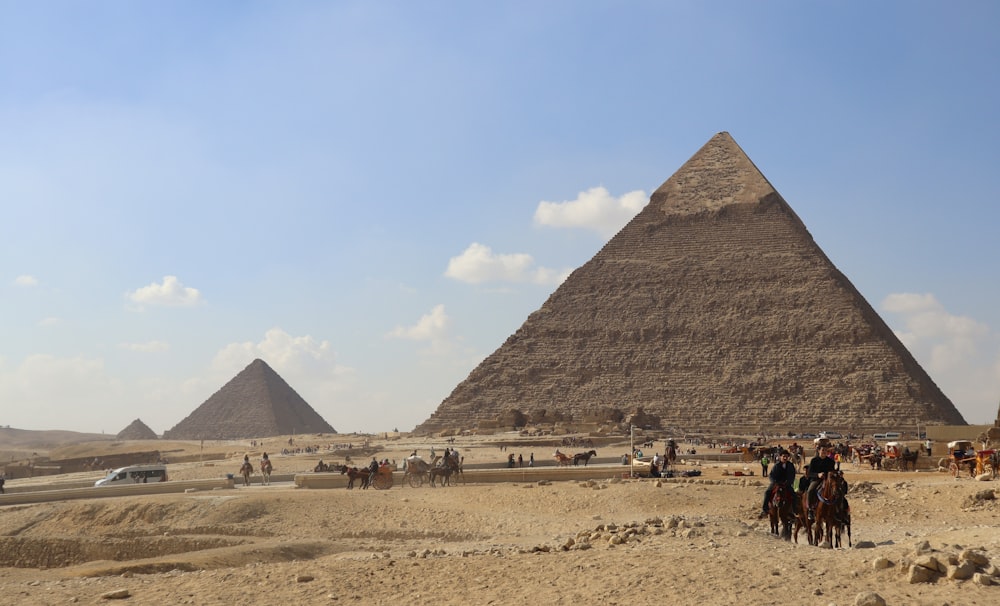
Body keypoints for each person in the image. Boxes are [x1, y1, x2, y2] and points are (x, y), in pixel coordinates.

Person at [761, 451, 796, 518]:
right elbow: (771, 475)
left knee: (794, 495)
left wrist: (789, 482)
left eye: (786, 456)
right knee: (767, 492)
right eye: (783, 456)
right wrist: (774, 482)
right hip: (776, 484)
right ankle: (765, 510)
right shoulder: (776, 465)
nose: (785, 458)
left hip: (786, 484)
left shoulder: (791, 465)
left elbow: (792, 475)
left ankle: (794, 511)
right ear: (780, 457)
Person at [805, 445, 836, 520]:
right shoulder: (814, 460)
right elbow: (809, 473)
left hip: (828, 480)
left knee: (837, 490)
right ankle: (810, 510)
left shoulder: (831, 461)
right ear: (819, 451)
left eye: (825, 451)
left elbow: (832, 471)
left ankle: (838, 510)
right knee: (810, 490)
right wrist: (818, 475)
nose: (824, 452)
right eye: (822, 450)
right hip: (816, 480)